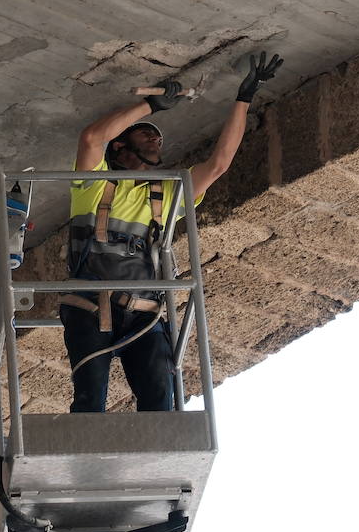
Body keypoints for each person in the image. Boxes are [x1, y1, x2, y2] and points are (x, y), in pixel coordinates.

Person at [60, 52, 285, 413]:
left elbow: (219, 165)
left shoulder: (164, 196)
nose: (156, 141)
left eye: (158, 139)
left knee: (163, 406)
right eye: (147, 135)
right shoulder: (93, 184)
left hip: (143, 313)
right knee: (89, 403)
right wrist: (151, 106)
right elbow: (91, 138)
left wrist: (245, 97)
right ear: (120, 145)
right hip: (90, 307)